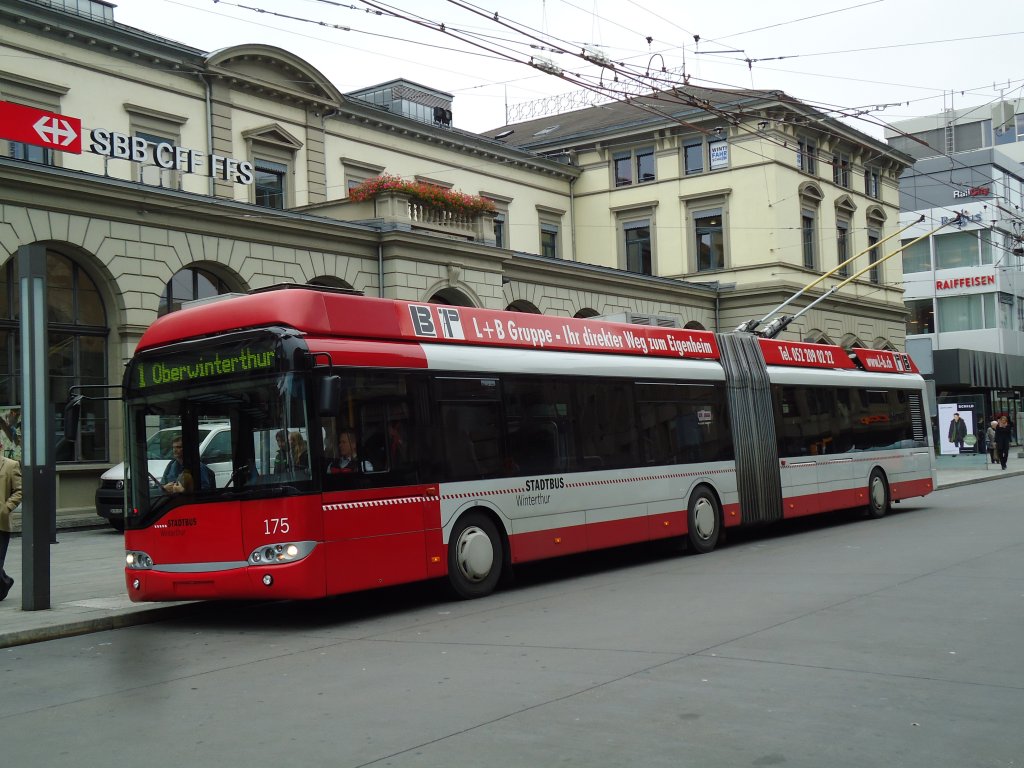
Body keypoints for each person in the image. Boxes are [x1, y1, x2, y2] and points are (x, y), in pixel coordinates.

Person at [0, 454, 23, 601]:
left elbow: (20, 490)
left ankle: (4, 583)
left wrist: (6, 508)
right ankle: (4, 582)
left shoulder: (10, 465)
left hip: (0, 523)